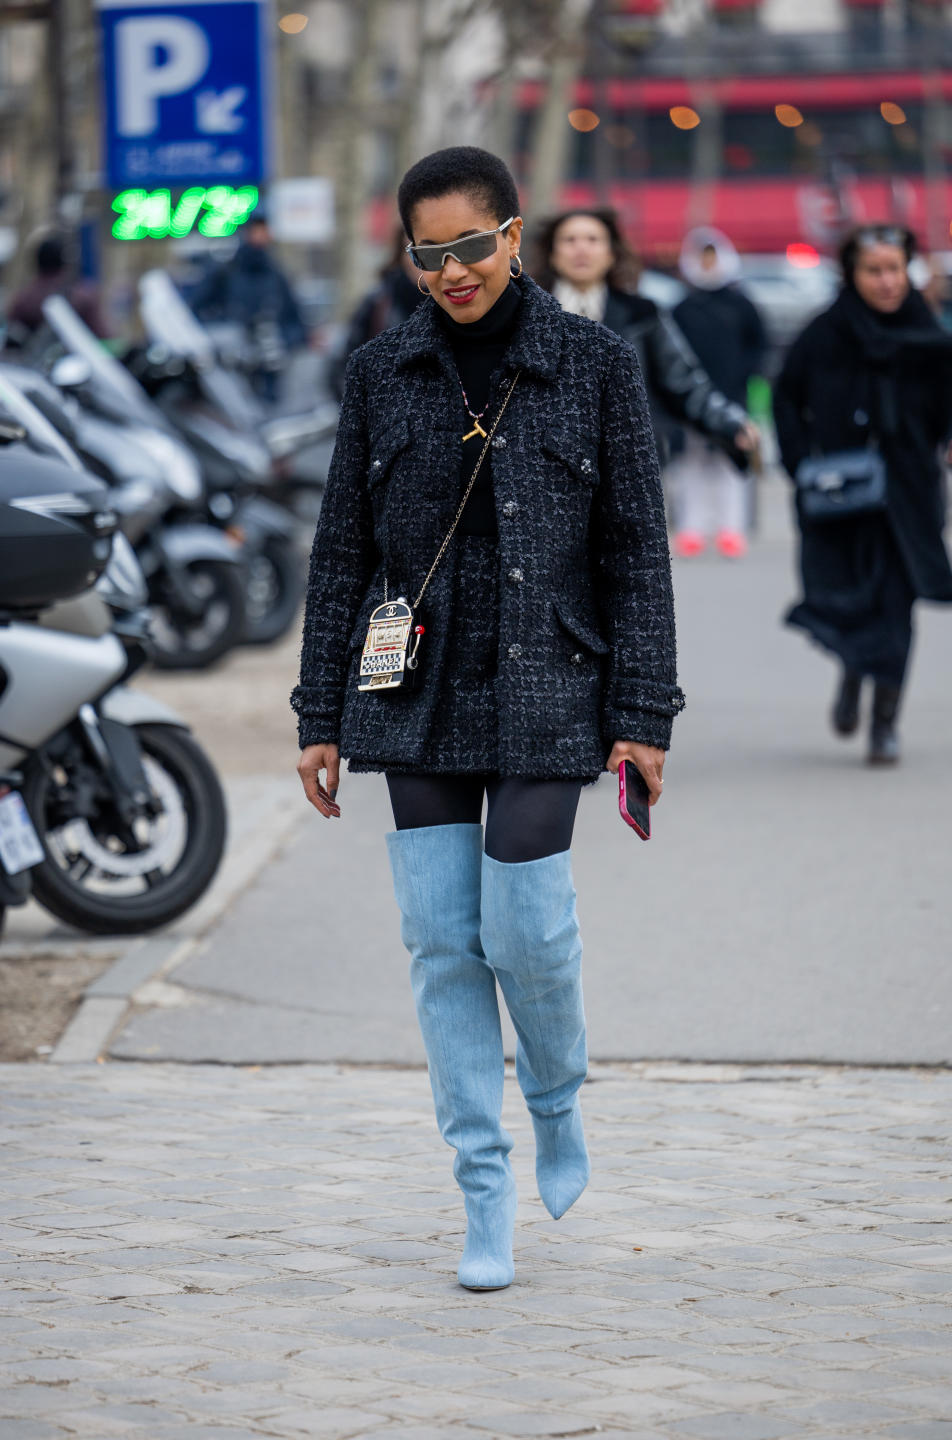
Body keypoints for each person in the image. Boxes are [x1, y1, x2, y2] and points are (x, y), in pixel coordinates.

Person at [292, 147, 684, 1292]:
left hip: (550, 683)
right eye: (431, 253)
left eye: (473, 245)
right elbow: (340, 554)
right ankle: (482, 1187)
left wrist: (644, 712)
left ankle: (557, 1101)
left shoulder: (595, 364)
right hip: (409, 694)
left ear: (516, 235)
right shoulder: (380, 371)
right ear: (409, 257)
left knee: (526, 928)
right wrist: (321, 709)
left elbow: (636, 559)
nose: (454, 271)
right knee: (440, 945)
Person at [774, 224, 952, 765]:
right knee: (849, 600)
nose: (885, 282)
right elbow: (787, 398)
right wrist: (800, 462)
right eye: (873, 270)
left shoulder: (931, 335)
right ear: (852, 275)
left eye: (895, 269)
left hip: (908, 495)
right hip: (841, 498)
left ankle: (885, 722)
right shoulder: (825, 333)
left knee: (898, 607)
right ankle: (854, 671)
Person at [534, 208, 759, 557]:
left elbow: (683, 382)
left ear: (611, 253)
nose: (581, 249)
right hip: (541, 472)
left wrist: (729, 422)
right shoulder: (528, 316)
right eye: (570, 240)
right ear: (552, 252)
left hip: (625, 471)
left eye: (593, 240)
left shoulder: (642, 314)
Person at [669, 227, 768, 558]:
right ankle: (692, 528)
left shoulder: (741, 304)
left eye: (713, 258)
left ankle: (731, 528)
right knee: (691, 463)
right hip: (689, 401)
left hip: (731, 397)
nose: (708, 265)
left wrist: (747, 380)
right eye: (703, 258)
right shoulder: (682, 307)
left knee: (731, 462)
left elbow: (759, 348)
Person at [191, 213, 308, 402]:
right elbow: (197, 309)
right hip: (232, 364)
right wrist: (223, 334)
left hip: (269, 363)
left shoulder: (275, 275)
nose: (261, 235)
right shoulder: (226, 271)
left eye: (265, 230)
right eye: (257, 230)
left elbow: (293, 317)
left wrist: (286, 342)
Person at [328, 227, 424, 401]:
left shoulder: (456, 306)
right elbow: (343, 368)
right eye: (412, 248)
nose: (419, 258)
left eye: (430, 247)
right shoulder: (379, 302)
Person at [5, 234, 108, 343]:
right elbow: (103, 335)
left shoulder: (24, 299)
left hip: (29, 359)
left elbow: (10, 336)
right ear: (65, 263)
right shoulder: (82, 297)